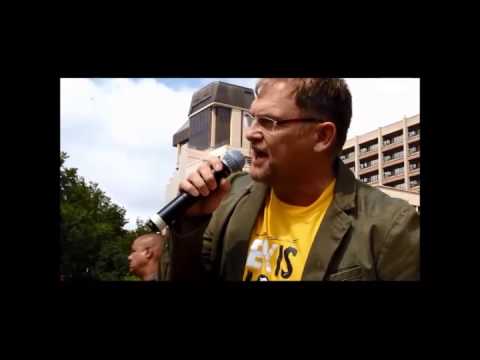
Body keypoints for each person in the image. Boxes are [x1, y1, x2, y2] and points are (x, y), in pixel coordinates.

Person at [159, 78, 420, 281]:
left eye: (268, 121)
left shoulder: (389, 227)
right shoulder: (228, 196)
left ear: (322, 137)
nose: (251, 133)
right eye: (253, 118)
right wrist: (192, 223)